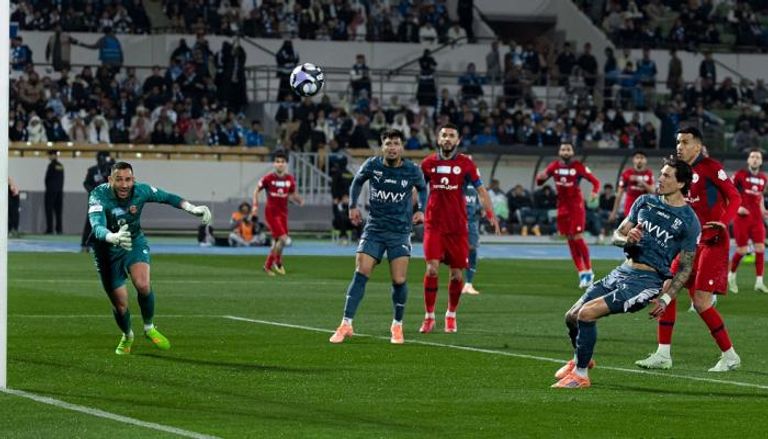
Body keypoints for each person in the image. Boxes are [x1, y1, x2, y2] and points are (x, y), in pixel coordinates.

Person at [552, 157, 699, 388]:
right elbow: (617, 236)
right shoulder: (644, 202)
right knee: (571, 317)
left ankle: (581, 375)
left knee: (586, 314)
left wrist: (666, 297)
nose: (659, 178)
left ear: (681, 184)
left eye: (666, 175)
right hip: (621, 271)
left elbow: (686, 267)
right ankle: (583, 359)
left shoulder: (689, 221)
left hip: (646, 282)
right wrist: (626, 238)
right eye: (660, 173)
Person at [636, 127, 742, 372]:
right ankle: (663, 354)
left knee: (702, 301)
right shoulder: (678, 173)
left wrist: (724, 224)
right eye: (677, 142)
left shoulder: (712, 168)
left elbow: (735, 197)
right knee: (667, 289)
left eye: (685, 142)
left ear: (698, 146)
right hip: (689, 244)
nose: (679, 147)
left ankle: (730, 356)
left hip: (712, 242)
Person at [87, 161, 212, 354]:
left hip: (134, 242)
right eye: (119, 180)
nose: (124, 184)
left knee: (143, 284)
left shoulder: (141, 190)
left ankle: (149, 327)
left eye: (128, 179)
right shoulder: (98, 195)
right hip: (106, 251)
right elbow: (96, 226)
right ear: (110, 179)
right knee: (120, 305)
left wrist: (191, 208)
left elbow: (167, 197)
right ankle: (127, 335)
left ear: (133, 180)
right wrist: (113, 237)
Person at [329, 129, 428, 344]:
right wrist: (353, 206)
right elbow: (357, 182)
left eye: (395, 143)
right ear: (382, 147)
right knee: (361, 271)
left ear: (401, 147)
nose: (392, 147)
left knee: (399, 279)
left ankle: (397, 325)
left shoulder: (412, 170)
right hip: (374, 229)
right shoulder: (373, 165)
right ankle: (346, 323)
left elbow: (422, 188)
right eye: (388, 143)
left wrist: (421, 209)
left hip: (399, 232)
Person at [418, 123, 500, 334]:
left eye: (451, 136)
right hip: (434, 225)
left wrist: (490, 213)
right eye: (444, 135)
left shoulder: (466, 164)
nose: (447, 139)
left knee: (456, 275)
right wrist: (416, 209)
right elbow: (417, 188)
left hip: (457, 228)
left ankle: (451, 315)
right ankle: (429, 316)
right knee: (431, 269)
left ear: (458, 140)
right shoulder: (427, 163)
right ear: (438, 139)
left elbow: (481, 190)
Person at [536, 143, 601, 288]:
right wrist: (540, 178)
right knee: (570, 239)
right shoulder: (554, 166)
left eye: (568, 149)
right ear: (559, 152)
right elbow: (540, 182)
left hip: (576, 206)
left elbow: (596, 182)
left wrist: (594, 192)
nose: (565, 152)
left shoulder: (578, 166)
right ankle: (582, 273)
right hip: (562, 207)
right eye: (563, 149)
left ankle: (589, 271)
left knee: (578, 237)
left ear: (572, 152)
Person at [253, 151, 304, 275]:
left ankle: (271, 264)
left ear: (286, 164)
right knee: (285, 239)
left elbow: (291, 194)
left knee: (279, 242)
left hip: (283, 213)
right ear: (274, 164)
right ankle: (276, 262)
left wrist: (298, 199)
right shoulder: (268, 178)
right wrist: (255, 206)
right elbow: (256, 191)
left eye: (282, 162)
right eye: (277, 162)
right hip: (271, 212)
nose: (280, 164)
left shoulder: (290, 179)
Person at [728, 149, 768, 293]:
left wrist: (763, 210)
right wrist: (737, 208)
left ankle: (759, 282)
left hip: (757, 218)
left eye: (758, 157)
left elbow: (760, 196)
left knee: (760, 248)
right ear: (748, 160)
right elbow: (728, 192)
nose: (755, 159)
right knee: (742, 250)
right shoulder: (740, 175)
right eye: (752, 157)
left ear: (761, 161)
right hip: (742, 218)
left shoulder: (764, 178)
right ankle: (731, 275)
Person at [609, 151, 654, 224]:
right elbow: (619, 194)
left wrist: (641, 182)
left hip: (644, 206)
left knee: (641, 231)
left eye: (642, 158)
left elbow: (653, 191)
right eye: (637, 158)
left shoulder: (649, 173)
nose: (639, 160)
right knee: (629, 230)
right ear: (633, 160)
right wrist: (614, 212)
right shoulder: (627, 173)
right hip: (630, 206)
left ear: (646, 160)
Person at [82, 152, 114, 251]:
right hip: (95, 200)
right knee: (90, 221)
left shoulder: (109, 171)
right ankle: (85, 243)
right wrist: (93, 192)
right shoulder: (92, 171)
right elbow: (86, 183)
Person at [462, 182, 482, 295]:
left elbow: (478, 206)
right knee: (468, 252)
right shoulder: (457, 184)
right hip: (463, 223)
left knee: (471, 251)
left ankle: (468, 284)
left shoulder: (473, 187)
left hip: (468, 223)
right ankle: (465, 283)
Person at [44, 150, 65, 235]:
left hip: (51, 191)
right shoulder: (61, 166)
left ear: (53, 155)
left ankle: (50, 229)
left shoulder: (51, 165)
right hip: (59, 191)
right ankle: (59, 229)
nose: (49, 157)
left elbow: (47, 179)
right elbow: (62, 179)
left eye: (50, 155)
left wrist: (48, 188)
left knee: (49, 210)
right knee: (58, 211)